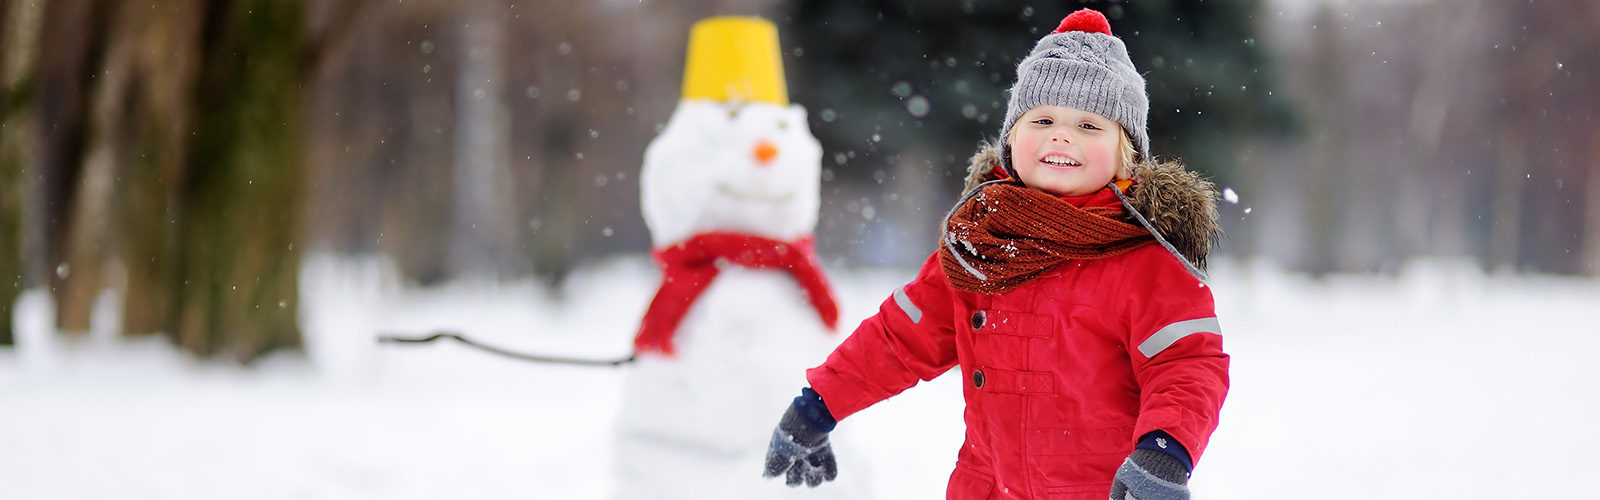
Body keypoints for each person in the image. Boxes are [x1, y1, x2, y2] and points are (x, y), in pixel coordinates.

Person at [761, 8, 1229, 500]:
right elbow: (900, 337)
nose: (1061, 135)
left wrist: (1164, 452)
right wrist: (818, 406)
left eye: (1089, 125)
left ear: (1125, 155)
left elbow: (1187, 364)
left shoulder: (1146, 261)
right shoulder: (980, 248)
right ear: (1010, 141)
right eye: (1042, 119)